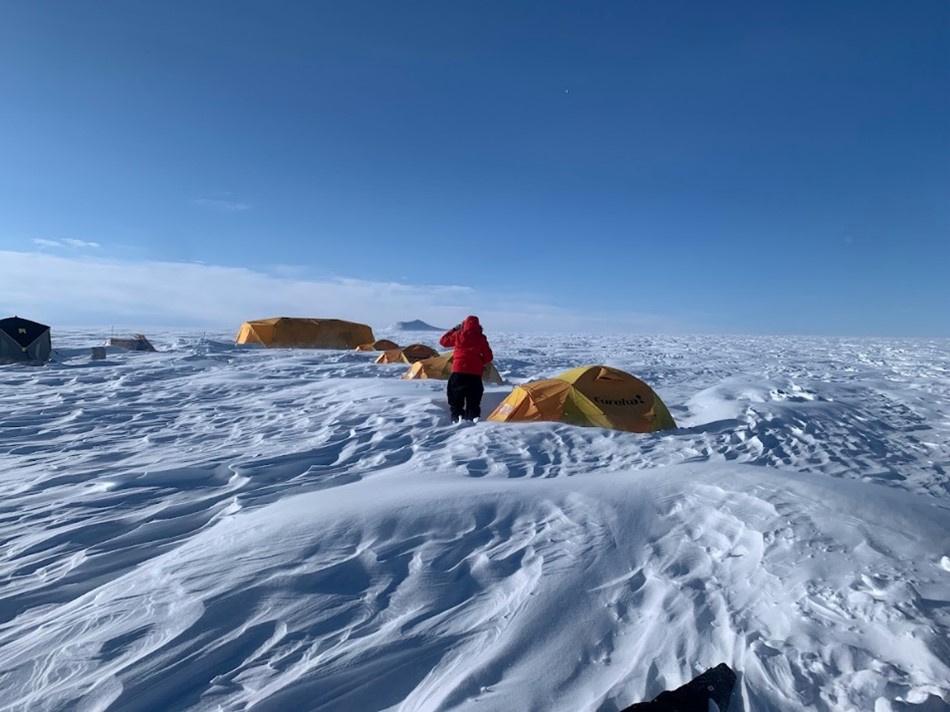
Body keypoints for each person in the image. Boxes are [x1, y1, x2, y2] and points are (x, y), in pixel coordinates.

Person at [439, 315, 494, 423]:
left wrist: (454, 329)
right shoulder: (481, 338)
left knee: (455, 400)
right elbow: (489, 357)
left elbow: (443, 341)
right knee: (473, 402)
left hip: (458, 373)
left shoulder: (458, 335)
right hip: (475, 375)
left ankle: (456, 420)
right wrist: (479, 361)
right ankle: (473, 422)